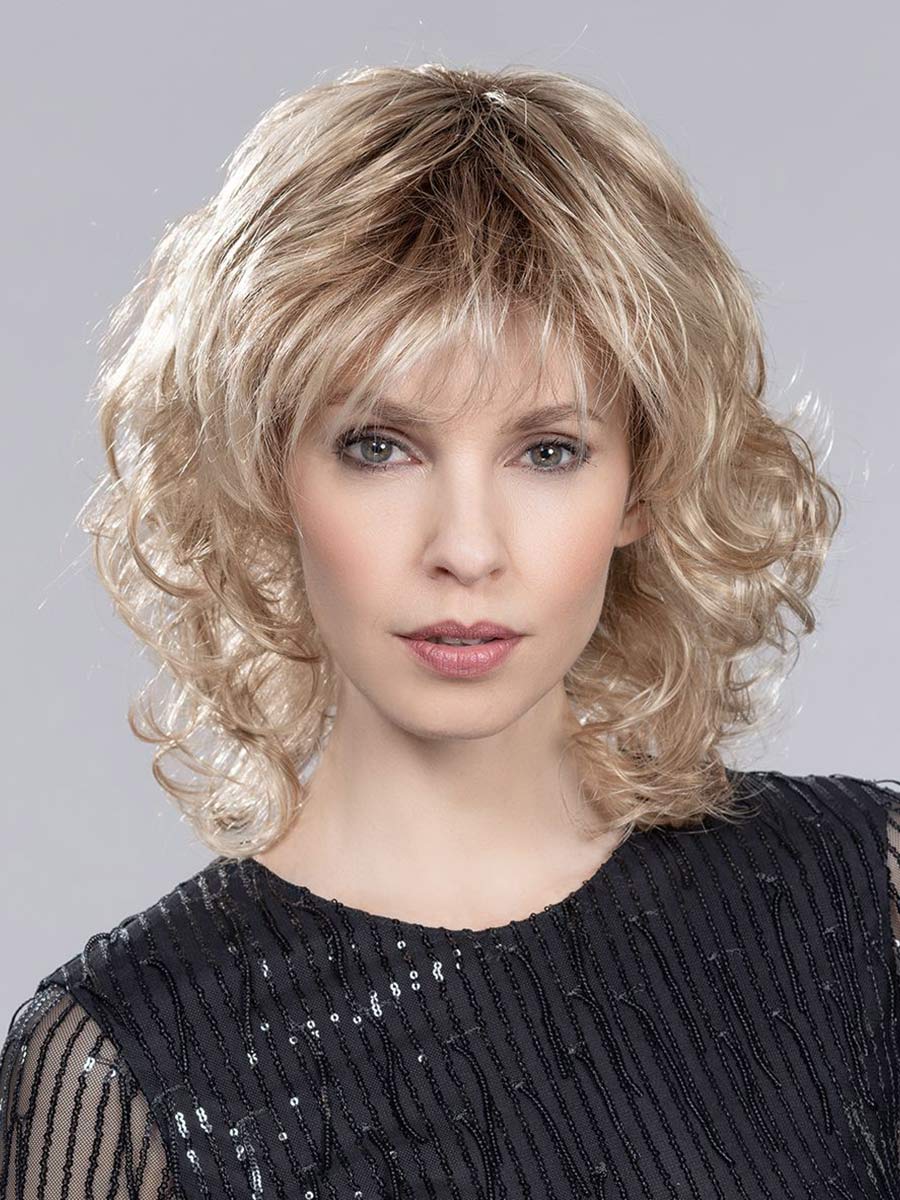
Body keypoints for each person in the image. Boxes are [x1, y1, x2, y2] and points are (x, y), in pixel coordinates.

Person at [1, 62, 898, 1199]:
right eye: (379, 447)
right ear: (264, 471)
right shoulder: (125, 1068)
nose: (467, 548)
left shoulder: (859, 897)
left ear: (644, 483)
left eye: (548, 451)